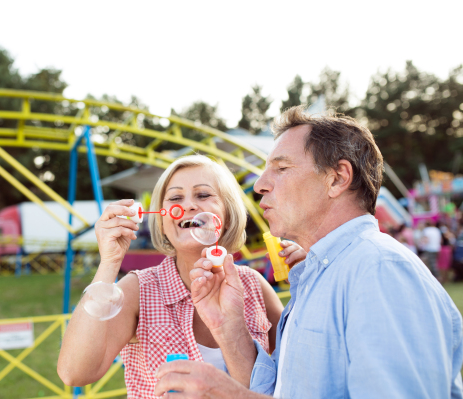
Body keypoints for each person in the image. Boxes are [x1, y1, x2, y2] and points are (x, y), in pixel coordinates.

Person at [155, 106, 463, 398]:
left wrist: (231, 395)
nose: (260, 185)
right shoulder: (321, 276)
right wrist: (230, 329)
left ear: (337, 178)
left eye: (281, 168)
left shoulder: (379, 270)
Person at [57, 155, 306, 398]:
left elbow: (300, 374)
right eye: (175, 197)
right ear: (163, 223)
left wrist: (309, 282)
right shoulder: (139, 290)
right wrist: (110, 261)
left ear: (228, 217)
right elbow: (74, 373)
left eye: (203, 195)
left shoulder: (253, 286)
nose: (187, 205)